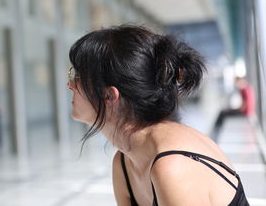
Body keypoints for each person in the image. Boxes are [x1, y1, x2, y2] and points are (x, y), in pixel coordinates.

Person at [67, 25, 249, 206]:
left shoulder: (173, 167)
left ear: (109, 95)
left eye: (79, 77)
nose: (70, 84)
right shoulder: (123, 163)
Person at [211, 77, 255, 142]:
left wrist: (233, 109)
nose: (236, 85)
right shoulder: (248, 88)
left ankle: (215, 130)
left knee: (223, 113)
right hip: (248, 112)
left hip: (244, 113)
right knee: (224, 112)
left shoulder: (243, 90)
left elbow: (244, 106)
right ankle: (216, 130)